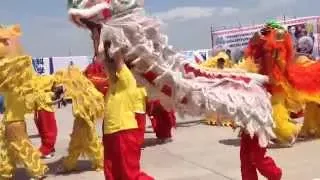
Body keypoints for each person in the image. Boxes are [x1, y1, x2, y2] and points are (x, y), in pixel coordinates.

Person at [102, 40, 154, 180]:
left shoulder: (128, 81)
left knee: (129, 175)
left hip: (124, 131)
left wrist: (113, 36)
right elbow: (107, 63)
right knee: (111, 173)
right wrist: (99, 40)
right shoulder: (114, 84)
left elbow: (118, 61)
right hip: (110, 133)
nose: (110, 68)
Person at [34, 80, 61, 158]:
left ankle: (50, 149)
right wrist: (60, 99)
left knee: (44, 132)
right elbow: (49, 102)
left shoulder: (38, 94)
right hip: (47, 114)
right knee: (51, 132)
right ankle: (45, 151)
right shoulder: (47, 93)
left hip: (40, 114)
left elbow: (35, 106)